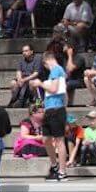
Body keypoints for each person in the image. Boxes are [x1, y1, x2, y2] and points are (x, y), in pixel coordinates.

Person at [31, 50, 68, 181]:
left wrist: (40, 84)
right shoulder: (56, 72)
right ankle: (54, 165)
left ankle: (63, 171)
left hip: (56, 110)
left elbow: (54, 89)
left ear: (47, 61)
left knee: (59, 140)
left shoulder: (56, 70)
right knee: (46, 139)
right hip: (50, 109)